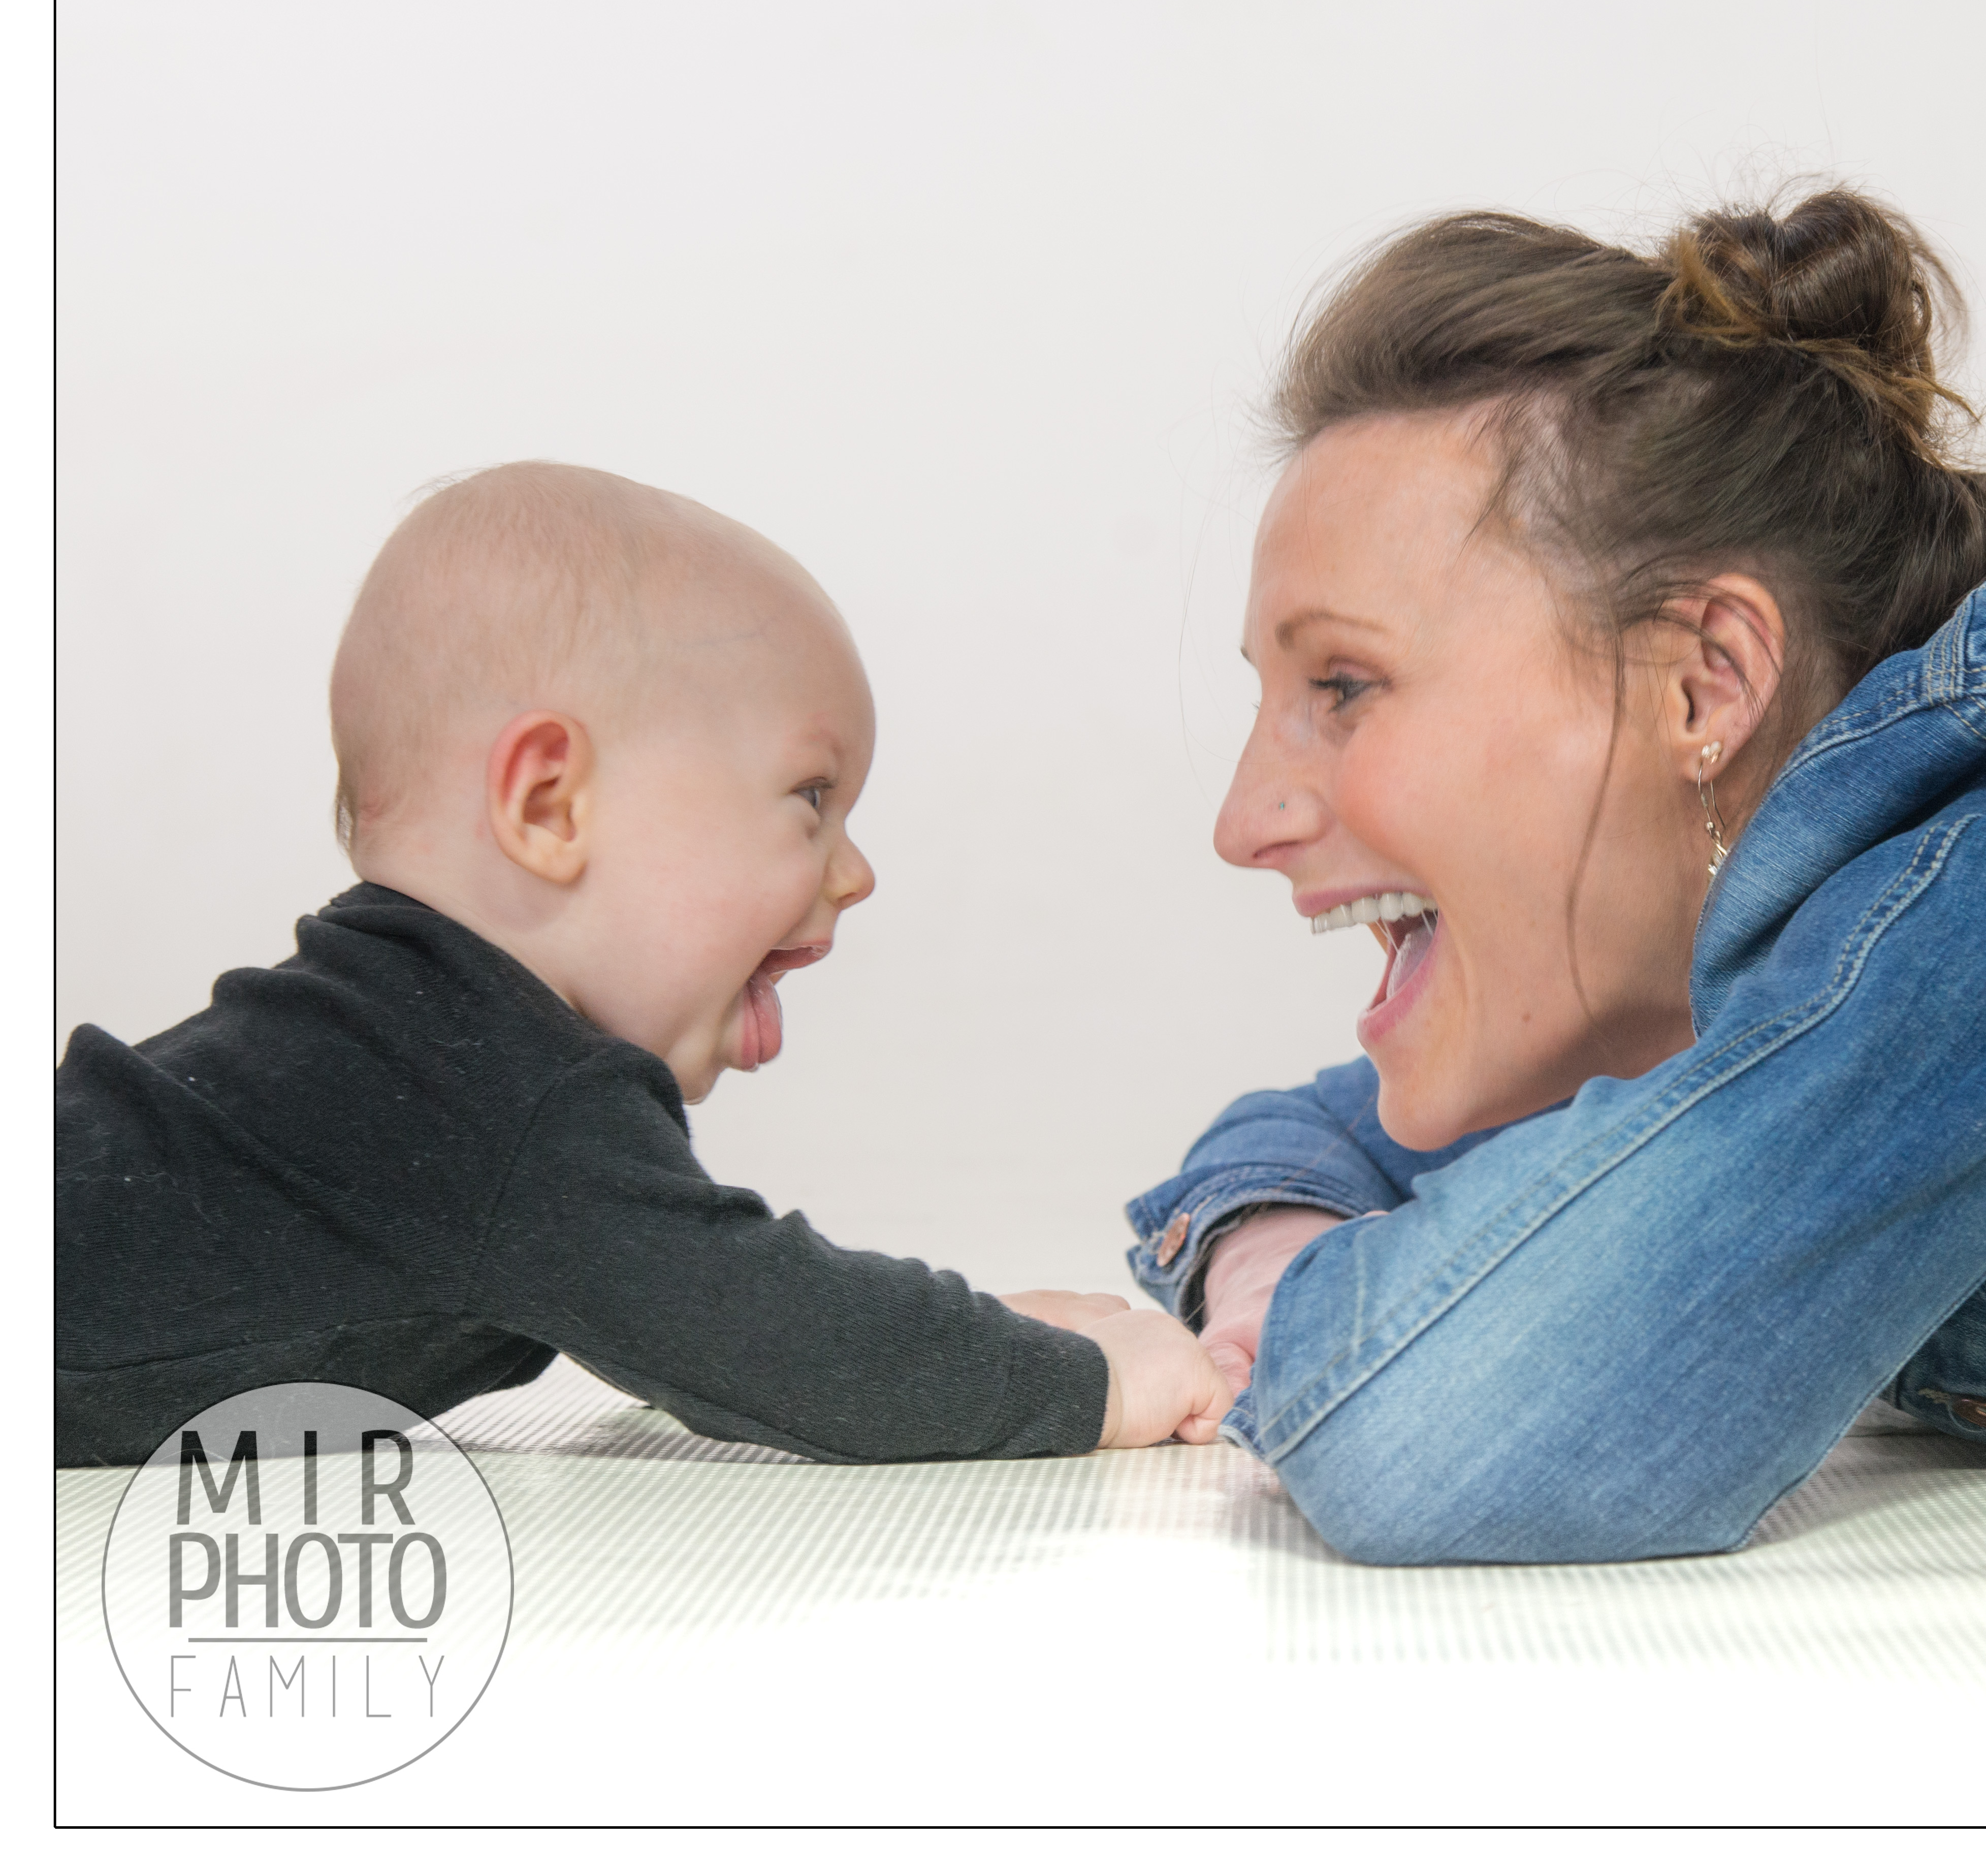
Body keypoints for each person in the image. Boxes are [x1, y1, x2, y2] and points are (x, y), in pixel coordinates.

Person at [1126, 190, 1986, 1565]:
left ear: (1704, 684)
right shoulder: (1742, 957)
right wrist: (1263, 1266)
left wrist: (1332, 1315)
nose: (1245, 818)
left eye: (1343, 685)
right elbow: (1310, 1136)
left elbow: (1433, 1425)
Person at [57, 463, 1225, 1469]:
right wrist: (1085, 1383)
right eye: (811, 799)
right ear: (549, 804)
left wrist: (958, 1330)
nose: (854, 871)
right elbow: (773, 1335)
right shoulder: (502, 1097)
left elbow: (696, 1297)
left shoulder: (403, 1043)